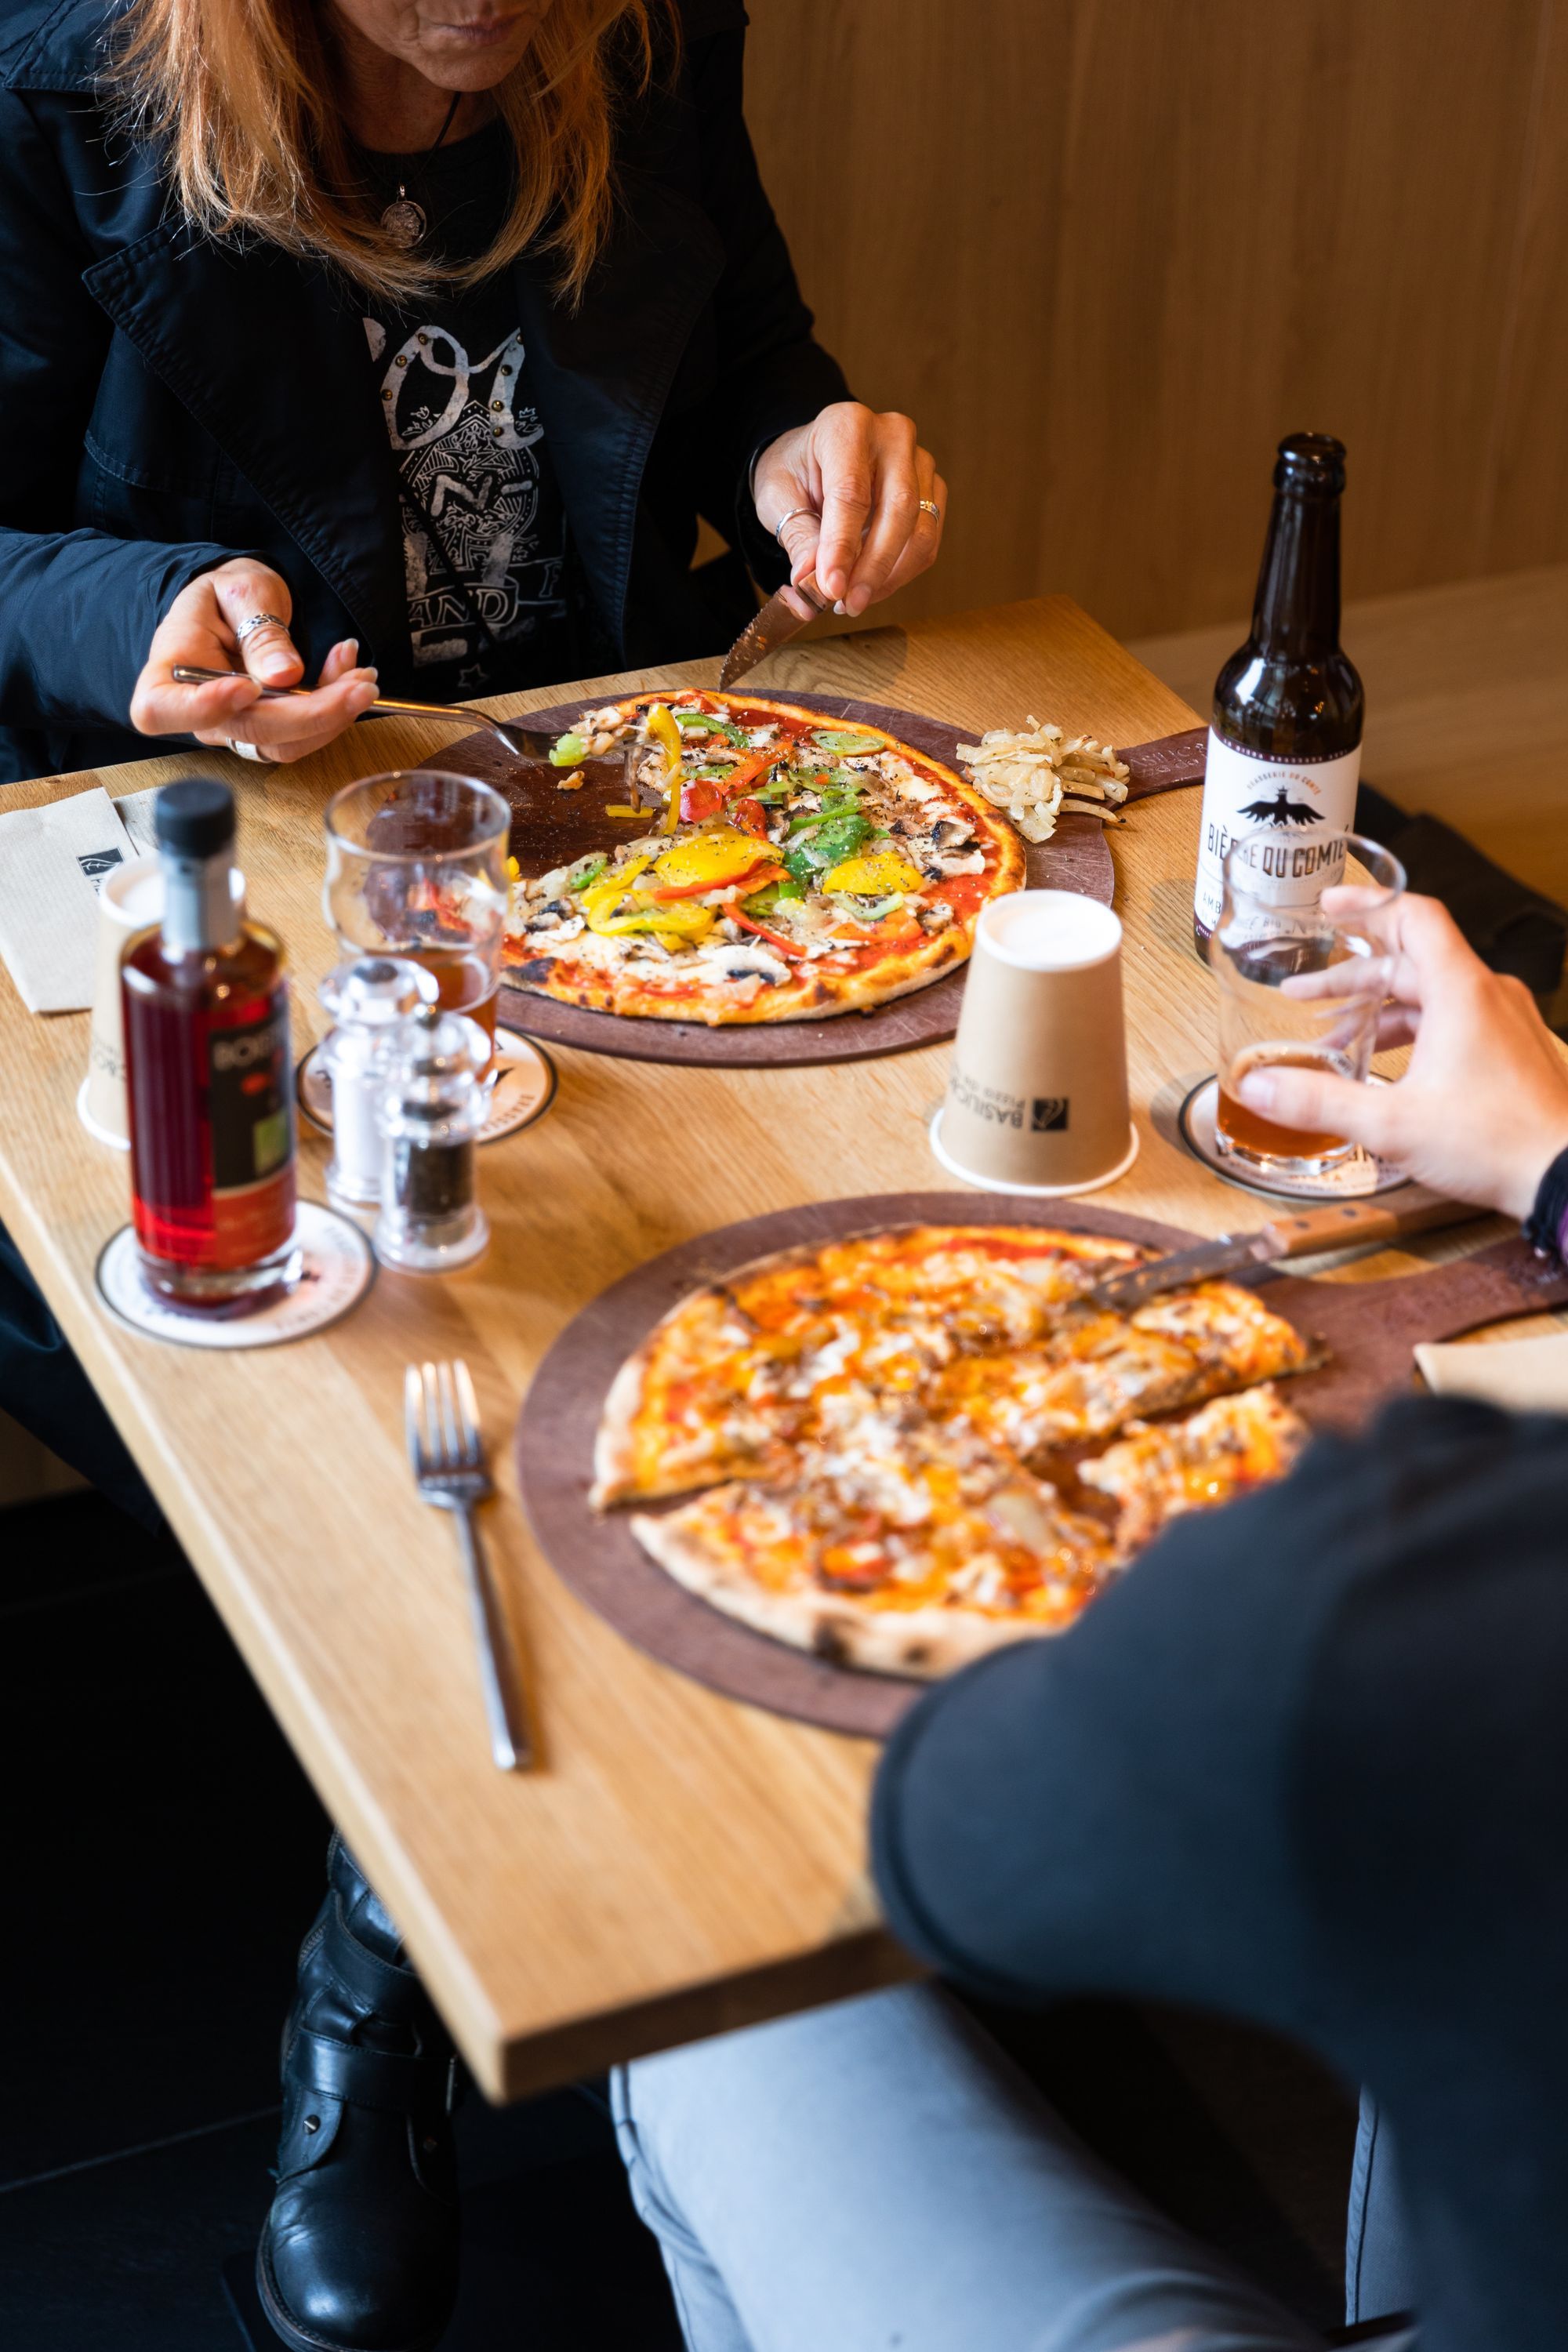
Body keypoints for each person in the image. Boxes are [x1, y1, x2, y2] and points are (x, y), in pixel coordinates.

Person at [0, 0, 945, 1491]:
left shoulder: (648, 36)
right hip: (230, 856)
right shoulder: (55, 94)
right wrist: (145, 608)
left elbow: (748, 349)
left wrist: (795, 447)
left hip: (603, 821)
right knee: (293, 1396)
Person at [612, 889, 1568, 2352]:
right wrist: (1550, 1164)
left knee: (706, 2014)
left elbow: (965, 1850)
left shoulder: (1411, 1601)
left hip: (1008, 1745)